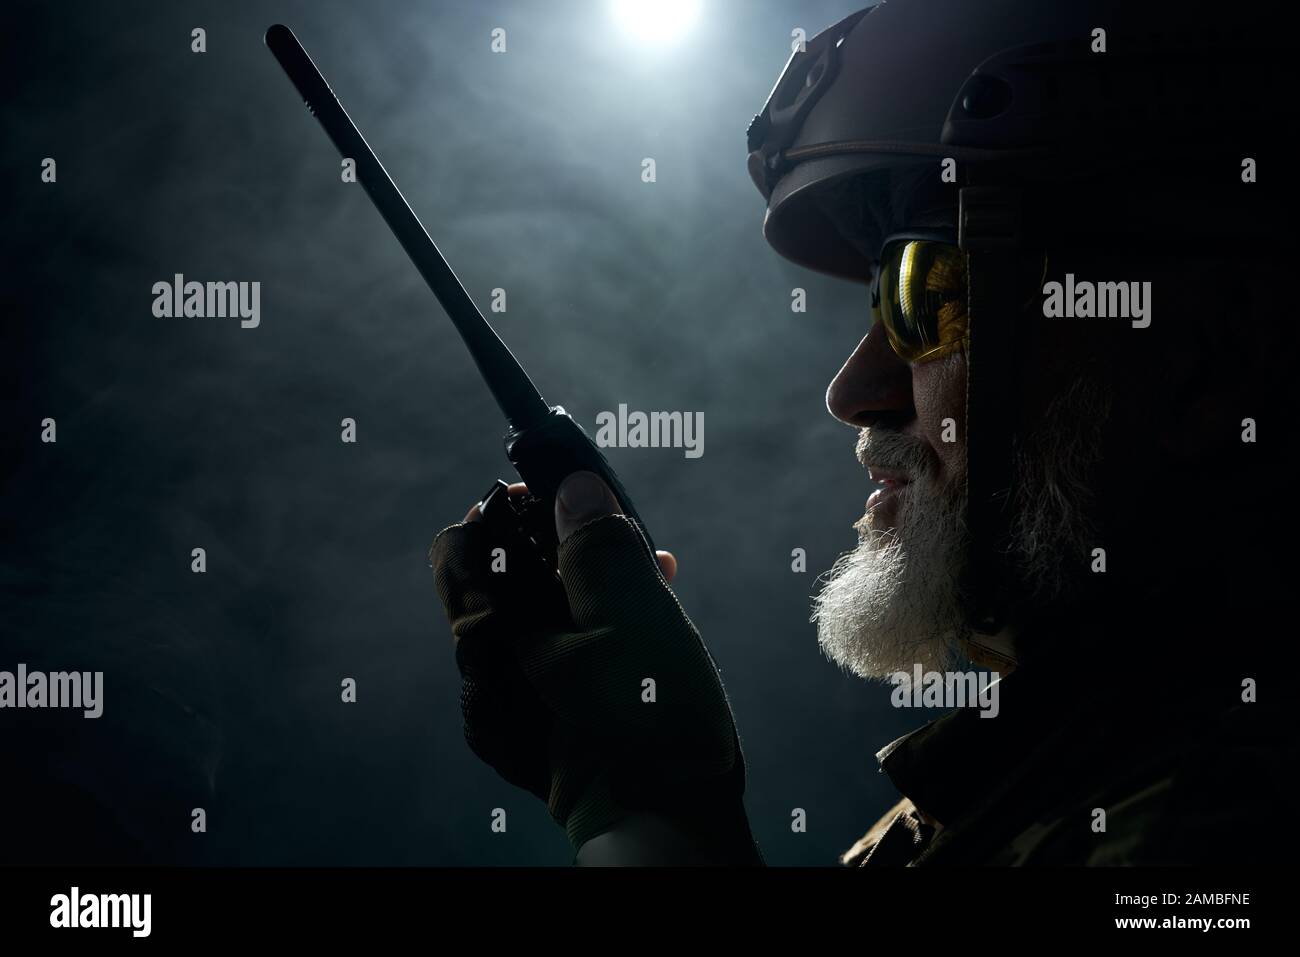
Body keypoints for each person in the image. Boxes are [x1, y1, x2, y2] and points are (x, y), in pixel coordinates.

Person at [430, 0, 1292, 865]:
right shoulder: (1015, 800)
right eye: (880, 296)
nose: (853, 390)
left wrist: (645, 818)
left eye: (928, 294)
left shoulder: (1209, 836)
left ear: (1207, 358)